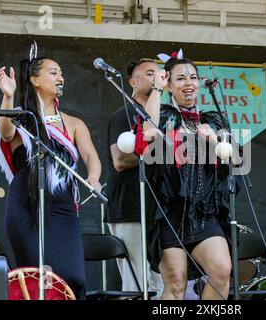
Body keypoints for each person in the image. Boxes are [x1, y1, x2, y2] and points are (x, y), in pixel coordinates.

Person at [0, 47, 102, 300]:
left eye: (61, 73)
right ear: (35, 80)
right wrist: (8, 97)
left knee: (73, 278)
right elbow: (7, 134)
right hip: (26, 204)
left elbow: (91, 158)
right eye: (53, 72)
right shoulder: (22, 116)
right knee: (36, 280)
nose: (60, 77)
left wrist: (93, 178)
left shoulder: (74, 123)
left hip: (63, 207)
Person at [142, 55, 234, 300]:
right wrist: (155, 88)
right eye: (180, 78)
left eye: (192, 77)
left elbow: (233, 160)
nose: (188, 83)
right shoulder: (163, 116)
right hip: (170, 213)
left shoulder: (213, 121)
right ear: (169, 85)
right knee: (176, 282)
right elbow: (148, 132)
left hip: (205, 213)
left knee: (222, 271)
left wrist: (213, 141)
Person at [105, 58, 163, 297]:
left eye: (159, 73)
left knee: (159, 284)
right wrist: (160, 152)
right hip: (130, 209)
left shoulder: (163, 116)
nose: (157, 78)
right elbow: (119, 160)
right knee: (137, 285)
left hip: (156, 210)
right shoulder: (126, 113)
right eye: (150, 74)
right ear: (132, 82)